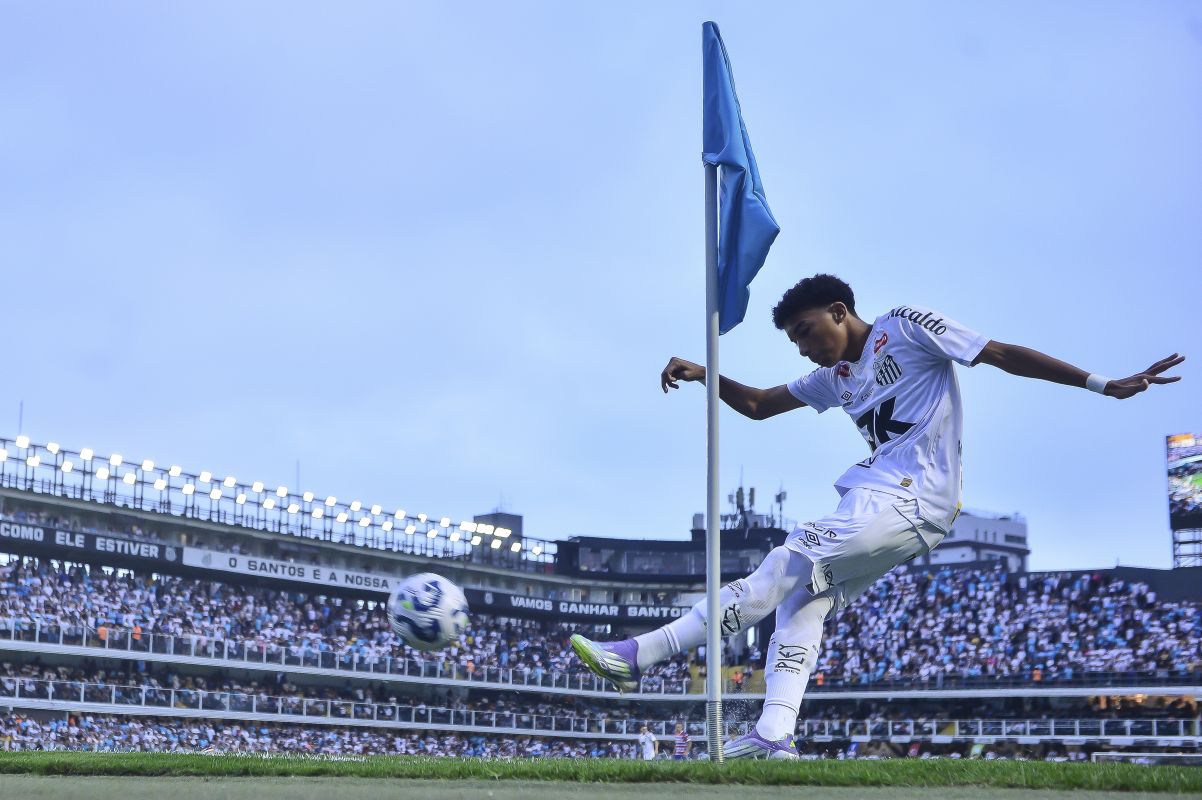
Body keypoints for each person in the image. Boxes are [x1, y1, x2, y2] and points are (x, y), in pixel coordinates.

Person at [571, 273, 1183, 760]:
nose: (803, 346)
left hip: (910, 495)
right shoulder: (834, 376)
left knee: (785, 565)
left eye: (806, 330)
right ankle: (774, 734)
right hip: (889, 503)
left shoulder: (905, 326)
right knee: (801, 602)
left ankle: (639, 654)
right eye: (794, 340)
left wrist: (1102, 383)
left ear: (839, 311)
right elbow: (758, 405)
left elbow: (999, 353)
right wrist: (708, 374)